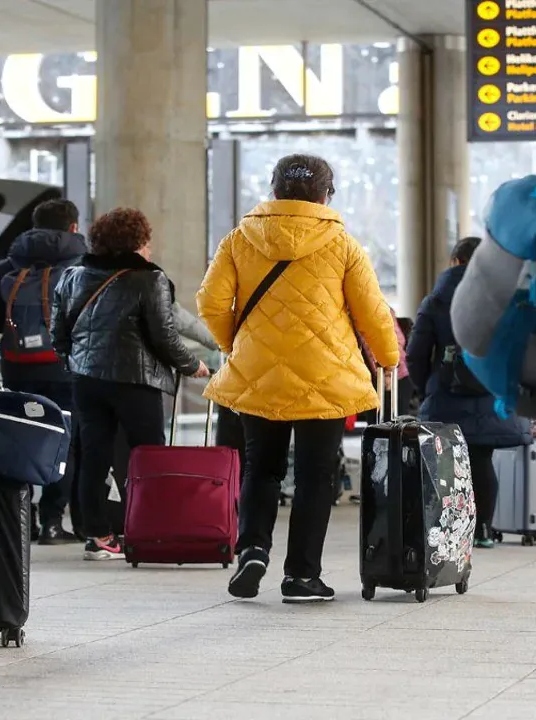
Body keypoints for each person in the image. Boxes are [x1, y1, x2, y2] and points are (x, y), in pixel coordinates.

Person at [197, 154, 398, 604]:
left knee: (261, 468)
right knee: (315, 476)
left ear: (273, 190)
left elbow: (211, 303)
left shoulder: (239, 239)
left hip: (257, 375)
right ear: (327, 194)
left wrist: (238, 345)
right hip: (326, 377)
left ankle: (251, 548)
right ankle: (302, 576)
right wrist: (387, 359)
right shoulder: (343, 244)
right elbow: (372, 312)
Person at [51, 207, 208, 561]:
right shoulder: (149, 280)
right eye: (146, 242)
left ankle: (98, 536)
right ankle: (149, 530)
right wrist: (191, 364)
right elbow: (164, 336)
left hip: (86, 381)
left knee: (94, 455)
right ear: (136, 244)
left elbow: (57, 332)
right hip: (136, 382)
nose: (150, 251)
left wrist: (73, 363)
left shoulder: (73, 275)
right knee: (146, 458)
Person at [406, 237, 530, 551]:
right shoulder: (507, 299)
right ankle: (484, 529)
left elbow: (415, 355)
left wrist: (427, 389)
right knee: (482, 460)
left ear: (456, 261)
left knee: (448, 465)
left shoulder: (435, 301)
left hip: (447, 397)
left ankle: (452, 530)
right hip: (492, 394)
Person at [0, 199, 87, 545]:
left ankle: (20, 518)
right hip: (64, 367)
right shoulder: (81, 267)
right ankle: (53, 520)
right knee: (65, 441)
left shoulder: (10, 265)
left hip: (17, 365)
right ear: (72, 228)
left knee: (21, 438)